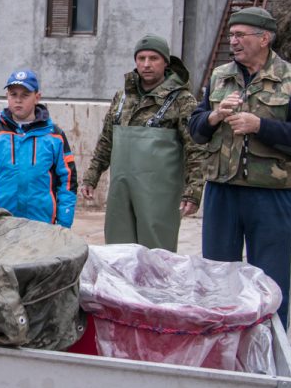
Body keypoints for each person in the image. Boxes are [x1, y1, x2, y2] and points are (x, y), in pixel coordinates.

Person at [188, 6, 291, 329]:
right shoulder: (220, 76)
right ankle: (220, 345)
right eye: (231, 35)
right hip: (222, 191)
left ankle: (271, 350)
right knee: (217, 277)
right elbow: (196, 131)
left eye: (240, 35)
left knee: (270, 281)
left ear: (264, 39)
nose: (233, 41)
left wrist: (260, 126)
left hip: (270, 195)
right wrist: (214, 116)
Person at [80, 34, 204, 251]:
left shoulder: (183, 100)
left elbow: (196, 150)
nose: (146, 64)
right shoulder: (122, 98)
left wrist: (193, 191)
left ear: (166, 62)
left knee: (156, 253)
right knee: (119, 251)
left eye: (154, 58)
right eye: (141, 58)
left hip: (159, 196)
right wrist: (91, 177)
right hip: (121, 191)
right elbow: (106, 141)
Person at [0, 69, 77, 227]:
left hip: (41, 224)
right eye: (13, 94)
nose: (18, 100)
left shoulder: (55, 136)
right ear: (7, 96)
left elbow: (68, 182)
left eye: (25, 95)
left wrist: (64, 224)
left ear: (37, 97)